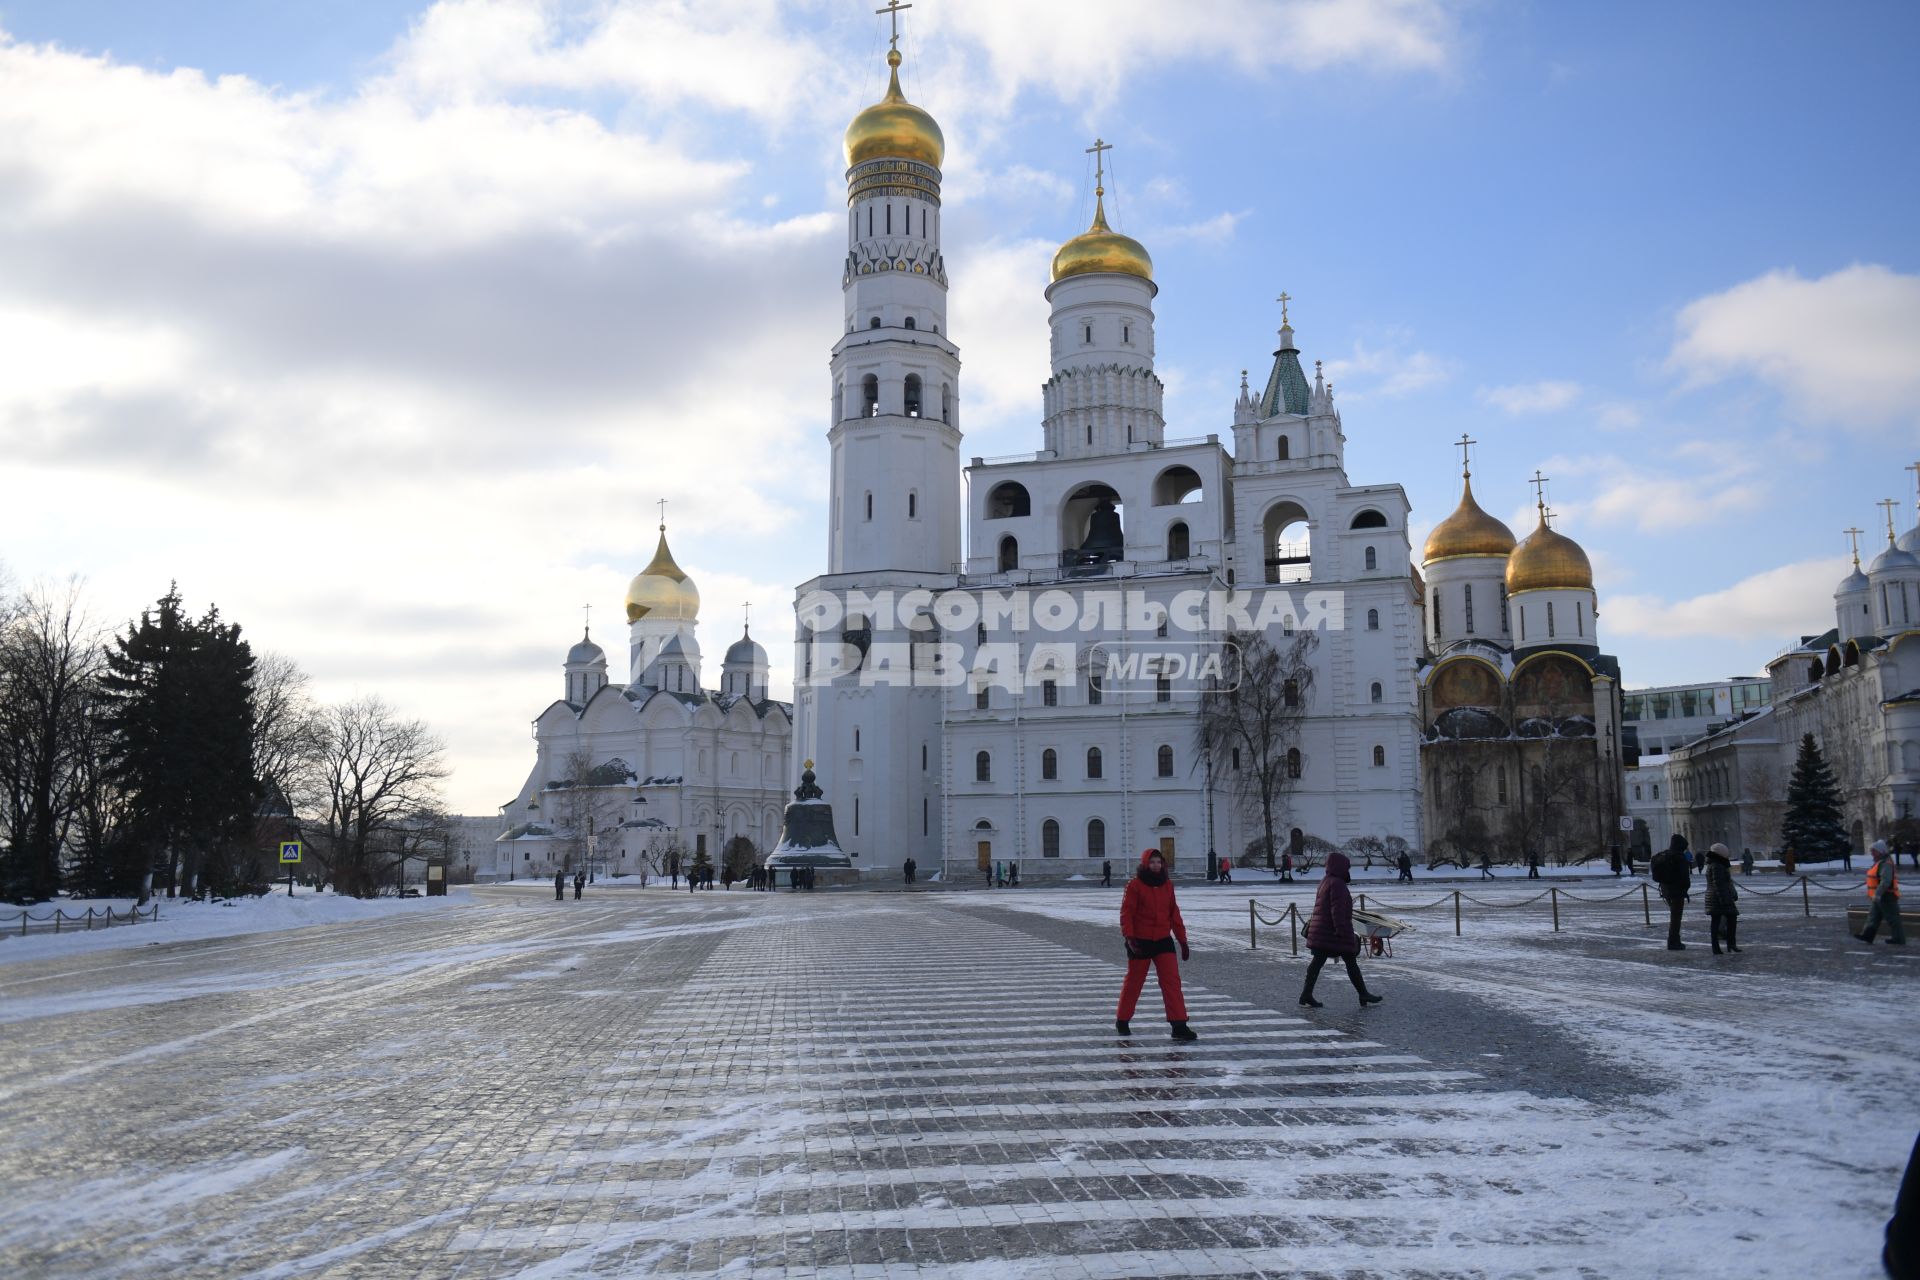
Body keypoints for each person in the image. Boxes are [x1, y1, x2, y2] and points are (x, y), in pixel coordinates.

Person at [1115, 849, 1197, 1041]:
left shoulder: (1167, 885)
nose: (1156, 865)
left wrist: (1182, 940)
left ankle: (1179, 1024)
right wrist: (1130, 938)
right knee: (1134, 983)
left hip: (1162, 940)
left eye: (1159, 862)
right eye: (1152, 862)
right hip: (1140, 941)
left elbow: (1174, 914)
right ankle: (1122, 1019)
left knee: (1172, 982)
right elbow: (1127, 913)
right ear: (1145, 864)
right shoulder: (1134, 885)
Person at [1299, 850, 1382, 1008]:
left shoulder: (1326, 881)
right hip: (1332, 932)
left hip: (1323, 930)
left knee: (1318, 962)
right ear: (1340, 867)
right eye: (1346, 868)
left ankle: (1306, 994)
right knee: (1350, 962)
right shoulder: (1337, 884)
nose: (1347, 871)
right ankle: (1363, 994)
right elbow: (1336, 910)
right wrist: (1341, 929)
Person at [1858, 839, 1906, 946]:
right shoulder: (1880, 862)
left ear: (1881, 852)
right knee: (1873, 916)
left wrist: (1878, 894)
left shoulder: (1885, 863)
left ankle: (1898, 939)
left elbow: (1886, 881)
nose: (1872, 853)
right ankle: (1867, 935)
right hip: (1879, 896)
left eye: (1874, 851)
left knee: (1892, 918)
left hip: (1886, 895)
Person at [1654, 833, 1691, 951]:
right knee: (1676, 918)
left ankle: (1675, 940)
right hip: (1677, 891)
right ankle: (1673, 941)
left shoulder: (1665, 855)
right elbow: (1685, 876)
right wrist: (1685, 888)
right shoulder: (1679, 857)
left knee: (1674, 917)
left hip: (1666, 890)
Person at [1703, 842, 1739, 954]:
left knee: (1718, 921)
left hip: (1715, 896)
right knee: (1728, 918)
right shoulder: (1717, 865)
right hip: (1718, 897)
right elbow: (1718, 884)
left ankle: (1725, 945)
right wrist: (1724, 899)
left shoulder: (1716, 864)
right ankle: (1725, 945)